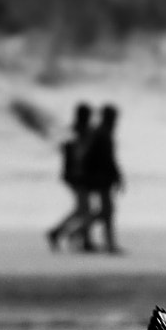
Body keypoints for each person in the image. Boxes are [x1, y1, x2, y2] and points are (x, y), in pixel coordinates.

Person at [46, 103, 94, 251]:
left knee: (82, 208)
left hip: (74, 174)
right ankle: (68, 234)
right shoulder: (81, 132)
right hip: (78, 175)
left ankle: (64, 233)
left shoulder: (74, 131)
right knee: (84, 209)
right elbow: (79, 154)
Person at [79, 104, 124, 254]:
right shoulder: (103, 134)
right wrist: (117, 176)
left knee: (106, 211)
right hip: (102, 178)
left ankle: (83, 234)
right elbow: (108, 160)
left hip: (98, 178)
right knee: (108, 212)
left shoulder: (99, 133)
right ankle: (108, 244)